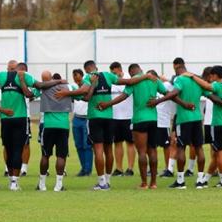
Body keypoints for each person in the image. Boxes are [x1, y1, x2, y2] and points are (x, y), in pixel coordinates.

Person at [55, 60, 155, 191]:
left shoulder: (88, 77)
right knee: (109, 149)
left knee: (98, 149)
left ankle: (102, 182)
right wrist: (146, 76)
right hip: (109, 117)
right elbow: (129, 82)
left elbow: (84, 90)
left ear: (86, 70)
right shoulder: (108, 75)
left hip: (95, 117)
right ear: (96, 67)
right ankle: (107, 180)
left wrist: (65, 93)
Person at [0, 63, 64, 191]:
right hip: (20, 118)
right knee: (17, 148)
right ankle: (14, 181)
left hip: (6, 118)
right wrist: (58, 81)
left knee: (9, 148)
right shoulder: (23, 76)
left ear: (9, 68)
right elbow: (40, 85)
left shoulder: (2, 75)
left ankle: (11, 179)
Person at [98, 64, 167, 189]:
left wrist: (108, 104)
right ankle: (154, 183)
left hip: (140, 119)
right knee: (152, 150)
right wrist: (157, 101)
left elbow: (123, 96)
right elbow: (169, 93)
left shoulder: (134, 81)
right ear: (140, 69)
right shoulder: (154, 79)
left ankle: (144, 183)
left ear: (131, 73)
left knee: (141, 152)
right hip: (153, 119)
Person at [148, 59, 204, 190]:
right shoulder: (196, 79)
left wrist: (158, 101)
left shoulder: (180, 79)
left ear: (176, 67)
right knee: (199, 147)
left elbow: (174, 93)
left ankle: (180, 181)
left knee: (181, 147)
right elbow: (209, 93)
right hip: (197, 117)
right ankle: (201, 180)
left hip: (184, 119)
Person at [181, 66, 222, 188]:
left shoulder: (217, 85)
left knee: (219, 153)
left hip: (218, 124)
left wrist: (192, 76)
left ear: (215, 75)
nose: (210, 78)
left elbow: (206, 86)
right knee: (217, 153)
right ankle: (205, 179)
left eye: (211, 76)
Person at [29, 71, 77, 192]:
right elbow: (81, 93)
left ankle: (42, 184)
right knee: (61, 155)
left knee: (45, 155)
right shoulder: (69, 87)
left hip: (48, 125)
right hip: (63, 126)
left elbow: (31, 95)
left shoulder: (43, 88)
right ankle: (58, 185)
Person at [109, 62, 134, 177]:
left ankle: (130, 168)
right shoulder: (111, 83)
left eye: (115, 72)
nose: (114, 75)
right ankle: (119, 168)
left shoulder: (128, 81)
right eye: (112, 73)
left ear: (120, 70)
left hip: (129, 117)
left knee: (130, 143)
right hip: (114, 117)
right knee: (117, 143)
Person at [71, 69, 92, 176]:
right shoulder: (73, 87)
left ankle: (88, 169)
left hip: (86, 118)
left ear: (82, 75)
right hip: (76, 118)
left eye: (76, 75)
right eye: (73, 75)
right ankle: (83, 168)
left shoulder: (87, 86)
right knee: (78, 145)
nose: (75, 77)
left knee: (87, 145)